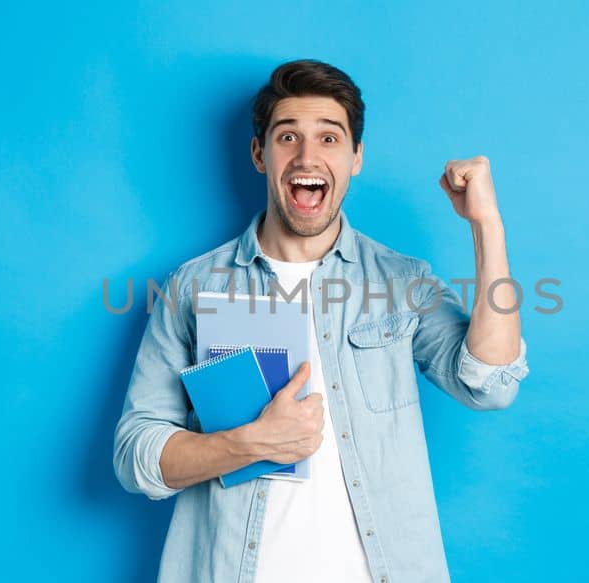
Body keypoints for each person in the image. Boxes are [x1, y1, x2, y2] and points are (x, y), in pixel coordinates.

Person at [113, 59, 530, 583]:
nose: (308, 156)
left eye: (330, 139)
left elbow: (491, 384)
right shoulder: (192, 288)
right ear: (259, 153)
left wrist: (486, 226)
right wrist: (249, 444)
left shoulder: (401, 282)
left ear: (356, 157)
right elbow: (136, 455)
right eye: (288, 136)